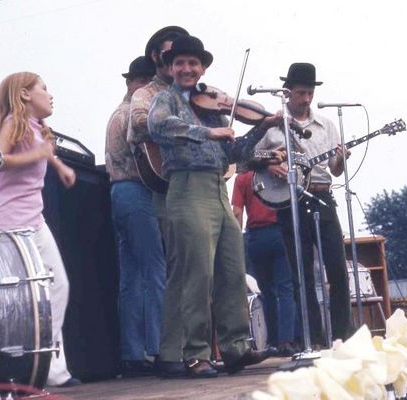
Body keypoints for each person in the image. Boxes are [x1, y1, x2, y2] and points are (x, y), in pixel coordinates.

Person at [148, 35, 281, 378]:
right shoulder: (166, 100)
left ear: (203, 67)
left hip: (217, 189)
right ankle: (195, 354)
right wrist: (207, 134)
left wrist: (261, 128)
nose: (187, 69)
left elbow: (235, 153)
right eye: (180, 63)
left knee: (232, 268)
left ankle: (236, 349)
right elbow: (158, 126)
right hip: (187, 187)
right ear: (171, 68)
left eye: (193, 63)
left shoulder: (213, 108)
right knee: (197, 274)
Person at [0, 72, 80, 387]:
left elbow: (43, 151)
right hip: (11, 221)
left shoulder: (39, 129)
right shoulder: (14, 121)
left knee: (58, 286)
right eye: (44, 88)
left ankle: (50, 368)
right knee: (26, 297)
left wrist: (59, 165)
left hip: (34, 219)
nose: (50, 95)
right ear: (25, 94)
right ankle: (39, 368)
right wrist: (39, 155)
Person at [255, 63, 354, 348]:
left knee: (337, 267)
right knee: (301, 273)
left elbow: (336, 171)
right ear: (287, 93)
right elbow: (249, 156)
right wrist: (273, 163)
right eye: (300, 93)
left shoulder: (327, 125)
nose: (306, 99)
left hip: (322, 196)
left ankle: (341, 335)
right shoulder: (272, 124)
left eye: (309, 93)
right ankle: (315, 339)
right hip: (290, 201)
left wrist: (342, 157)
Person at [127, 25, 189, 378]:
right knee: (171, 268)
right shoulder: (147, 94)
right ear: (157, 57)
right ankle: (170, 352)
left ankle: (197, 349)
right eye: (172, 54)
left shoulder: (191, 91)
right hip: (167, 187)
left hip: (197, 186)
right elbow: (138, 124)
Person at [105, 56, 165, 376]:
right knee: (154, 271)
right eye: (143, 81)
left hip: (119, 193)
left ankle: (133, 351)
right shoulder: (134, 113)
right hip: (137, 191)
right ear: (134, 83)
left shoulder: (117, 112)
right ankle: (156, 348)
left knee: (132, 277)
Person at [231, 170, 299, 356]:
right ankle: (287, 340)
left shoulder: (243, 177)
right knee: (286, 288)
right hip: (279, 233)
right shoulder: (277, 172)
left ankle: (274, 342)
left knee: (266, 292)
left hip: (255, 238)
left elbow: (236, 211)